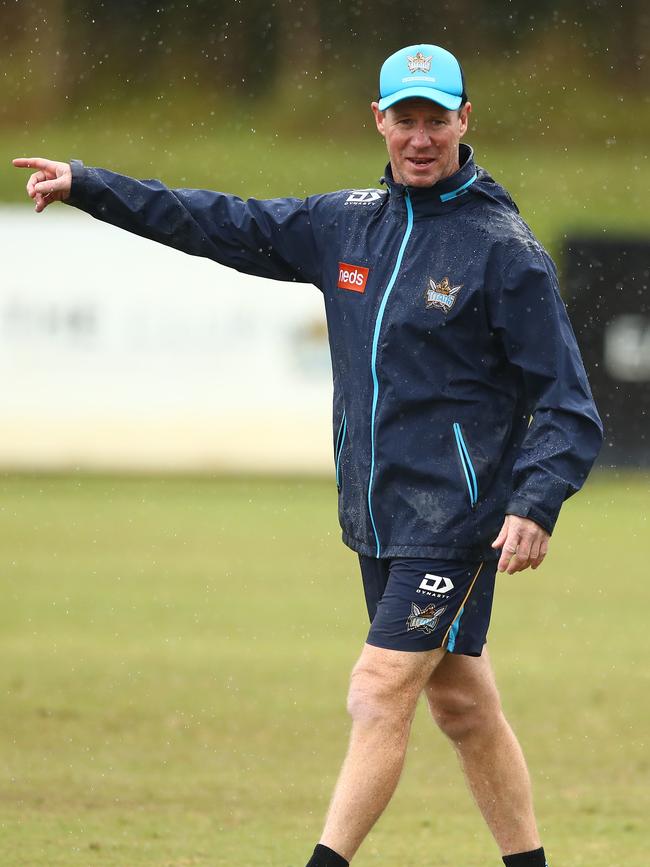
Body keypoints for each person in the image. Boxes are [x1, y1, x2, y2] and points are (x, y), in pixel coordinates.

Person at [14, 42, 602, 867]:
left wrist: (533, 504)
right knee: (462, 704)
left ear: (466, 120)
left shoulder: (503, 251)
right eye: (407, 119)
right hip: (379, 518)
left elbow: (571, 408)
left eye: (438, 119)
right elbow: (217, 221)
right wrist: (91, 186)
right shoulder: (343, 223)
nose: (422, 136)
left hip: (458, 523)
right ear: (380, 120)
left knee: (377, 690)